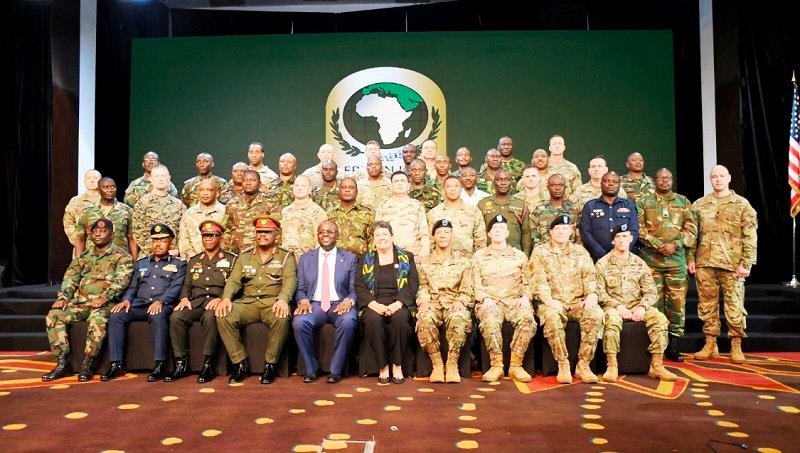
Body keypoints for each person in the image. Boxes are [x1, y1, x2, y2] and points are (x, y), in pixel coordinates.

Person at [42, 218, 133, 382]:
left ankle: (89, 363)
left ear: (112, 235)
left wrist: (105, 296)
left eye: (103, 231)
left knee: (97, 319)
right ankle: (63, 363)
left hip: (106, 303)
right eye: (95, 231)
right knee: (54, 315)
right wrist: (63, 298)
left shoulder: (122, 257)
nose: (98, 234)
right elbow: (70, 279)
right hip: (81, 303)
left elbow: (122, 281)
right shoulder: (83, 257)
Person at [688, 165, 758, 364]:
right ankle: (710, 343)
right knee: (707, 305)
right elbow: (693, 235)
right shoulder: (700, 205)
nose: (717, 179)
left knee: (734, 306)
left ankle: (736, 344)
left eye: (721, 176)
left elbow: (750, 236)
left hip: (732, 265)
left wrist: (747, 263)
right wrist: (691, 258)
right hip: (705, 262)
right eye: (714, 177)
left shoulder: (742, 204)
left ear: (729, 178)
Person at [216, 215, 297, 384]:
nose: (262, 235)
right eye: (259, 232)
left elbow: (290, 281)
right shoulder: (245, 256)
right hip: (249, 302)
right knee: (224, 315)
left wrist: (283, 299)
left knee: (281, 318)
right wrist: (226, 298)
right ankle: (239, 363)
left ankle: (270, 365)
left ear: (276, 235)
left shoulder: (285, 256)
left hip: (272, 302)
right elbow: (234, 280)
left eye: (267, 232)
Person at [101, 223, 186, 382]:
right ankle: (116, 363)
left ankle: (160, 364)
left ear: (170, 243)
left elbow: (175, 288)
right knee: (117, 315)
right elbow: (133, 286)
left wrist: (161, 301)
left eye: (162, 240)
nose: (157, 244)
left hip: (164, 304)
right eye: (155, 240)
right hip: (140, 304)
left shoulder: (178, 264)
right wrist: (126, 300)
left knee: (157, 315)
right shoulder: (141, 263)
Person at [596, 224, 677, 382]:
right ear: (613, 241)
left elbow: (651, 290)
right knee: (611, 321)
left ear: (631, 239)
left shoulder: (640, 263)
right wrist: (617, 306)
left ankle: (657, 365)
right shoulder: (602, 264)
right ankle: (612, 365)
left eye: (624, 236)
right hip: (613, 306)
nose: (621, 240)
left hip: (637, 305)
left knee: (659, 319)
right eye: (618, 237)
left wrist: (642, 306)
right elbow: (599, 292)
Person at [529, 215, 604, 384]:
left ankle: (583, 365)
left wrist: (592, 295)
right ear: (550, 232)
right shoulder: (540, 252)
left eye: (565, 229)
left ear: (571, 231)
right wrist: (549, 301)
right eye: (557, 229)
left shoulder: (580, 251)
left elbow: (590, 277)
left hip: (578, 302)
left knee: (596, 315)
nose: (561, 232)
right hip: (553, 302)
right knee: (551, 317)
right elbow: (538, 280)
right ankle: (563, 364)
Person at [637, 168, 697, 362]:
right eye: (661, 178)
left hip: (676, 261)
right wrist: (657, 244)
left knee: (676, 304)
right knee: (653, 303)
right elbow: (638, 228)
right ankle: (656, 345)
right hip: (651, 260)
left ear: (672, 180)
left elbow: (691, 229)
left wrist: (676, 244)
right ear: (654, 181)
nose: (664, 181)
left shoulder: (683, 201)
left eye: (668, 178)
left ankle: (673, 345)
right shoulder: (644, 201)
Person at [165, 220, 236, 383]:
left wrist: (222, 299)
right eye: (205, 236)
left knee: (211, 317)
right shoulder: (194, 260)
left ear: (220, 238)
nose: (208, 239)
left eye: (212, 235)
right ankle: (180, 363)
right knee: (176, 317)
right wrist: (183, 299)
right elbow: (187, 285)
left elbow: (234, 284)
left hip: (216, 301)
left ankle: (208, 363)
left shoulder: (231, 259)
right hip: (196, 301)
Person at [292, 221, 358, 384]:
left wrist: (349, 301)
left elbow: (355, 288)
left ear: (337, 235)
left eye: (330, 231)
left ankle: (336, 370)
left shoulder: (350, 258)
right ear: (317, 235)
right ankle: (311, 368)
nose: (325, 234)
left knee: (349, 321)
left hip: (339, 304)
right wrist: (303, 300)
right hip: (314, 304)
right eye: (322, 232)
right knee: (299, 322)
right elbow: (300, 288)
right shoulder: (306, 259)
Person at [471, 215, 535, 382]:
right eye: (494, 229)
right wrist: (484, 298)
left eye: (501, 229)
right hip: (490, 302)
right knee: (490, 321)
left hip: (515, 301)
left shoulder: (519, 256)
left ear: (507, 233)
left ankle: (516, 365)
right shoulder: (479, 256)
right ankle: (496, 365)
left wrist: (526, 297)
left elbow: (529, 282)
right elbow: (475, 283)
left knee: (527, 319)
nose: (498, 231)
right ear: (489, 234)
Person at [355, 221, 420, 384]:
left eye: (385, 234)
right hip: (374, 303)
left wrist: (397, 304)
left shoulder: (407, 257)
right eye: (377, 235)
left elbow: (413, 284)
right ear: (373, 239)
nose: (381, 238)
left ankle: (397, 365)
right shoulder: (366, 258)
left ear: (392, 236)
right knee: (373, 321)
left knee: (400, 320)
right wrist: (374, 305)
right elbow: (359, 285)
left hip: (399, 302)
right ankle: (383, 366)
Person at [416, 219, 474, 383]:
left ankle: (452, 363)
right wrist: (424, 301)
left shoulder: (463, 261)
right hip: (433, 303)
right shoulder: (423, 261)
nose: (443, 236)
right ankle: (437, 364)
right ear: (433, 237)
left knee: (459, 317)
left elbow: (468, 287)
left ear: (452, 236)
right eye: (439, 233)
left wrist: (461, 301)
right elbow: (421, 285)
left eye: (446, 232)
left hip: (453, 302)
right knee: (424, 318)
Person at [579, 171, 639, 262]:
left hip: (624, 258)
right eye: (607, 181)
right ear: (601, 184)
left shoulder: (628, 205)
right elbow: (585, 233)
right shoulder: (590, 206)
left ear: (619, 185)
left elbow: (634, 231)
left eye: (615, 182)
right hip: (597, 259)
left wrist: (622, 251)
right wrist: (601, 254)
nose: (611, 184)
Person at [75, 177, 137, 260]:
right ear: (99, 190)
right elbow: (80, 239)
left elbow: (132, 238)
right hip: (93, 261)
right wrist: (78, 261)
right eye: (106, 187)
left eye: (113, 187)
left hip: (120, 261)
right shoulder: (88, 211)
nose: (110, 190)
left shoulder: (126, 211)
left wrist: (135, 262)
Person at [221, 169, 280, 254]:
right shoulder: (231, 204)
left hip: (261, 253)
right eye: (245, 180)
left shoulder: (270, 203)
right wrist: (225, 250)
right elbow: (225, 229)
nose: (248, 183)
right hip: (236, 253)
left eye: (252, 180)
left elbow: (278, 230)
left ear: (259, 183)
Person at [131, 164, 186, 256]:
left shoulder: (178, 205)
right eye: (157, 176)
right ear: (151, 179)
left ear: (169, 178)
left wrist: (177, 250)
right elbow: (138, 232)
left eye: (163, 176)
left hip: (173, 255)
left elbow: (183, 232)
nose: (160, 179)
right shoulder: (142, 204)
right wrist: (155, 251)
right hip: (149, 256)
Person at [427, 175, 487, 255]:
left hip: (468, 261)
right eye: (448, 186)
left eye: (456, 186)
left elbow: (481, 240)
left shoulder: (473, 211)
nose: (453, 189)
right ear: (443, 190)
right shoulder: (434, 213)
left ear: (461, 189)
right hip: (442, 263)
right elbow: (430, 241)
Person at [375, 171, 430, 257]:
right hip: (389, 256)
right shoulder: (383, 207)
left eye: (402, 181)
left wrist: (424, 255)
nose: (399, 183)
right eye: (396, 181)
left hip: (414, 256)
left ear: (408, 186)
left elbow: (424, 234)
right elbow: (377, 234)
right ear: (391, 186)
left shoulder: (417, 206)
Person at [477, 169, 531, 255]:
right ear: (494, 183)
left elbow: (526, 234)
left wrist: (526, 256)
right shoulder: (482, 204)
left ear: (512, 183)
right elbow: (478, 233)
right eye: (499, 180)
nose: (503, 183)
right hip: (488, 257)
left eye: (507, 179)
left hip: (514, 256)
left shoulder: (520, 205)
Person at [280, 175, 328, 257]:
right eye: (297, 185)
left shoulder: (318, 212)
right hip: (286, 261)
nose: (299, 188)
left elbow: (321, 242)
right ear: (293, 188)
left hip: (306, 260)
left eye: (303, 186)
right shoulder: (285, 211)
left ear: (309, 190)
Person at [177, 178, 225, 259]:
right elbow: (184, 241)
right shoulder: (189, 214)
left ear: (217, 193)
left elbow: (228, 240)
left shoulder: (225, 212)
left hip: (220, 262)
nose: (205, 193)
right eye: (202, 190)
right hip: (194, 262)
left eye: (209, 190)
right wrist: (195, 260)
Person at [326, 177, 374, 257]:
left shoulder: (367, 213)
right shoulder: (329, 213)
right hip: (334, 261)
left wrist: (369, 262)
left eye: (351, 187)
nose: (347, 190)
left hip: (359, 262)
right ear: (339, 191)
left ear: (357, 191)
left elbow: (372, 240)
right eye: (344, 187)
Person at [529, 174, 578, 249]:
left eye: (560, 185)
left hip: (570, 253)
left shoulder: (574, 209)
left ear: (565, 188)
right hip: (545, 252)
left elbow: (579, 235)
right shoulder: (539, 209)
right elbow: (532, 233)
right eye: (553, 185)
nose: (557, 188)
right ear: (548, 188)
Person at [63, 169, 101, 256]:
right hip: (82, 249)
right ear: (84, 181)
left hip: (105, 249)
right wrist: (79, 240)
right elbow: (68, 223)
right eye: (88, 178)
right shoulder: (76, 201)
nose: (92, 180)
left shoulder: (107, 200)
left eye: (95, 178)